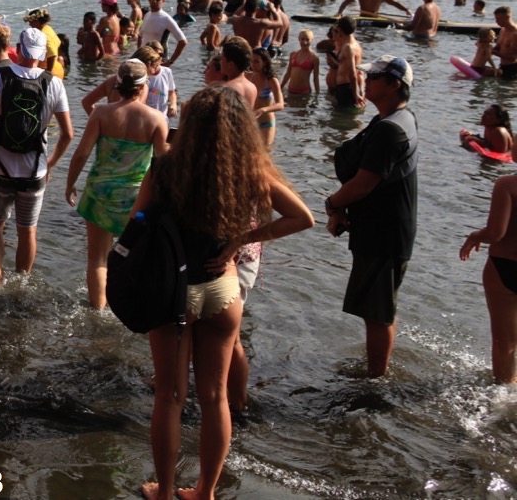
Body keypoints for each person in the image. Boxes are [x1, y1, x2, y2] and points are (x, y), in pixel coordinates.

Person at [135, 87, 314, 500]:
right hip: (223, 289)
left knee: (170, 395)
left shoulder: (166, 169)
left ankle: (162, 492)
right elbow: (302, 217)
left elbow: (137, 223)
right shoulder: (249, 169)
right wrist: (242, 240)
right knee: (215, 396)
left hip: (174, 291)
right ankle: (205, 492)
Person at [325, 55, 418, 377]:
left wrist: (332, 204)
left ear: (394, 84)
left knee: (378, 311)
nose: (367, 79)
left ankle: (376, 377)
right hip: (381, 228)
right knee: (375, 308)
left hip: (386, 233)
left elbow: (364, 183)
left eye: (375, 76)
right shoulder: (393, 119)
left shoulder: (390, 129)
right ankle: (376, 368)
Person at [0, 27, 74, 285]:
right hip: (34, 172)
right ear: (41, 54)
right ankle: (22, 282)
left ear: (19, 47)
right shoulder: (54, 83)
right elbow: (68, 134)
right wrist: (49, 165)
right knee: (27, 231)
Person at [65, 58, 168, 307]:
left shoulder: (101, 112)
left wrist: (70, 184)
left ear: (118, 85)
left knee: (97, 259)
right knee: (135, 257)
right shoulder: (156, 119)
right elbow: (163, 162)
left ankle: (98, 311)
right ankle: (128, 308)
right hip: (135, 198)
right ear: (144, 86)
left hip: (99, 193)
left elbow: (81, 153)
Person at [460, 175, 517, 383]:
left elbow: (495, 233)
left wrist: (475, 236)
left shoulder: (508, 185)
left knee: (505, 343)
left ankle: (503, 392)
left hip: (505, 266)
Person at [137, 0, 187, 65]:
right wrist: (138, 53)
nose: (154, 1)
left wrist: (170, 62)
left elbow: (183, 41)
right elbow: (140, 36)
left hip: (158, 61)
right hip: (144, 60)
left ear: (163, 1)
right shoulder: (147, 15)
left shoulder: (166, 18)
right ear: (149, 0)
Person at [249, 47, 285, 148]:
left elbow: (280, 104)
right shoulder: (250, 76)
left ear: (264, 62)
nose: (253, 64)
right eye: (251, 61)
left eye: (257, 62)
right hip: (252, 123)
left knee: (266, 153)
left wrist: (263, 110)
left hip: (266, 123)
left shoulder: (271, 80)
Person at [285, 29, 321, 95]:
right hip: (290, 90)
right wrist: (280, 88)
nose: (304, 42)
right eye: (302, 39)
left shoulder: (314, 58)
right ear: (299, 39)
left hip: (304, 92)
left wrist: (317, 96)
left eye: (307, 39)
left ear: (312, 40)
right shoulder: (293, 55)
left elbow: (316, 79)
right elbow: (288, 73)